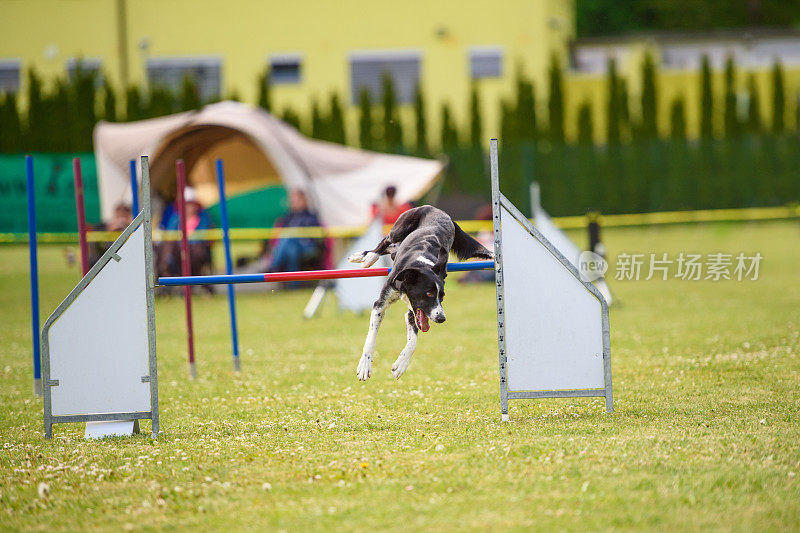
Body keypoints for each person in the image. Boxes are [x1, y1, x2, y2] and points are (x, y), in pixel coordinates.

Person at [156, 187, 214, 292]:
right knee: (166, 246)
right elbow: (169, 235)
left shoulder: (203, 218)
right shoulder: (176, 219)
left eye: (190, 204)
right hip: (177, 252)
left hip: (196, 253)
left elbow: (204, 237)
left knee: (190, 250)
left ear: (196, 205)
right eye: (185, 204)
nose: (188, 207)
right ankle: (165, 273)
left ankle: (168, 277)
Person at [268, 189, 324, 274]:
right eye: (292, 201)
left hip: (307, 246)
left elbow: (314, 235)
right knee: (292, 251)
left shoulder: (311, 216)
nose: (294, 204)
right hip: (293, 245)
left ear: (304, 201)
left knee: (289, 236)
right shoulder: (288, 216)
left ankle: (274, 266)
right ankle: (293, 285)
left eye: (296, 201)